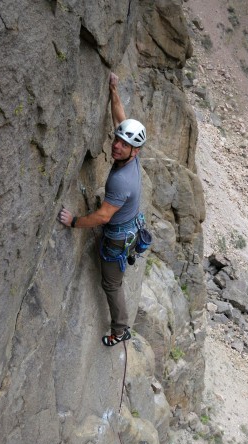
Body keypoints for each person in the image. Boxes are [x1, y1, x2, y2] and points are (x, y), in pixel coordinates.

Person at [58, 72, 147, 347]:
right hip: (129, 224)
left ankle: (120, 330)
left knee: (111, 284)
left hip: (118, 235)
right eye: (117, 140)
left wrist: (74, 222)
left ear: (135, 150)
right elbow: (120, 118)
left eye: (123, 145)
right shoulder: (132, 153)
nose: (116, 146)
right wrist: (113, 89)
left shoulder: (122, 180)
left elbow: (102, 216)